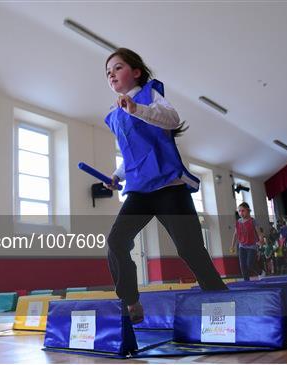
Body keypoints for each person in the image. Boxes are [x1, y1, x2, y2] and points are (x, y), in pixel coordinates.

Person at [103, 48, 227, 323]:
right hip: (140, 191)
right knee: (116, 241)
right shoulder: (114, 115)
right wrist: (116, 175)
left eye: (118, 67)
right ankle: (131, 303)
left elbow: (171, 120)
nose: (111, 74)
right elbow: (132, 153)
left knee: (189, 248)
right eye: (108, 72)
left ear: (135, 72)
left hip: (169, 186)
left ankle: (220, 300)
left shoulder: (149, 95)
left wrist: (139, 109)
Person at [231, 202, 263, 281]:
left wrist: (261, 240)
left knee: (250, 264)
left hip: (252, 246)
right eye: (239, 211)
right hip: (242, 246)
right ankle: (246, 282)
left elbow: (259, 233)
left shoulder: (252, 221)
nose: (241, 213)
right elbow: (235, 234)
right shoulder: (238, 222)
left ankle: (261, 272)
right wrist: (232, 245)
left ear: (248, 210)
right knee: (243, 265)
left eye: (243, 211)